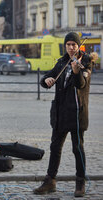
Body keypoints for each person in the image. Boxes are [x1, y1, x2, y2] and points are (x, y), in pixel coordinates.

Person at [33, 32, 93, 197]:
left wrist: (76, 71)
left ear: (78, 46)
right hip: (60, 113)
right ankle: (50, 180)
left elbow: (81, 84)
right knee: (55, 147)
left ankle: (80, 182)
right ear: (65, 46)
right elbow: (47, 77)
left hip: (76, 114)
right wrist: (46, 81)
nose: (71, 47)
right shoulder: (61, 62)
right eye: (69, 44)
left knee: (77, 149)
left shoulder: (86, 62)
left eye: (74, 44)